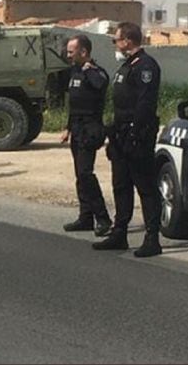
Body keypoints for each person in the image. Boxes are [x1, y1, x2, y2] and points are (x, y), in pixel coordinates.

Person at [92, 21, 163, 257]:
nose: (115, 44)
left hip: (138, 135)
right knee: (121, 184)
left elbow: (144, 103)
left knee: (145, 186)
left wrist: (135, 132)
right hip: (120, 133)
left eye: (117, 39)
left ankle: (152, 237)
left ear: (128, 41)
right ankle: (119, 232)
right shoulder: (126, 66)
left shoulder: (146, 66)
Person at [60, 34, 113, 237]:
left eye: (72, 51)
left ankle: (103, 218)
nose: (68, 54)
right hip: (77, 128)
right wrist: (67, 128)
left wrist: (88, 69)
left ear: (84, 52)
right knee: (79, 176)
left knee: (85, 173)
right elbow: (73, 104)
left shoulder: (95, 72)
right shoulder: (74, 72)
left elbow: (101, 85)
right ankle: (85, 217)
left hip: (91, 129)